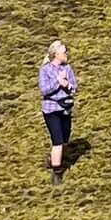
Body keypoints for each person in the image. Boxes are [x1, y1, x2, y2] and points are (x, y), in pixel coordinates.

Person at [37, 41, 76, 177]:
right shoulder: (45, 70)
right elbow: (44, 90)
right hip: (51, 110)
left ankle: (53, 159)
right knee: (57, 141)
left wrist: (67, 86)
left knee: (65, 140)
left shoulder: (68, 68)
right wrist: (57, 82)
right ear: (56, 54)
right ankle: (57, 172)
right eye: (64, 52)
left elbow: (74, 87)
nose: (66, 54)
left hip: (65, 108)